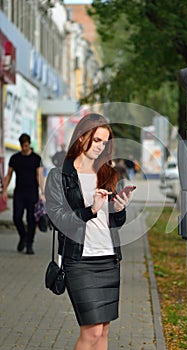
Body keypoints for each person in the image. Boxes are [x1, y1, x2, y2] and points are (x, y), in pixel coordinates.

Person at [45, 113, 131, 350]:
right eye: (96, 140)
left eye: (104, 142)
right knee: (91, 332)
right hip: (80, 261)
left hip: (109, 259)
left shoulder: (107, 174)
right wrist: (90, 209)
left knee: (103, 331)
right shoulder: (59, 176)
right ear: (82, 138)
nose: (100, 147)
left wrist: (118, 209)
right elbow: (57, 220)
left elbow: (114, 222)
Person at [2, 133, 44, 254]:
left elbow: (39, 176)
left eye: (26, 145)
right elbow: (9, 175)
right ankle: (23, 236)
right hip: (19, 193)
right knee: (16, 217)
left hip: (32, 193)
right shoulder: (15, 158)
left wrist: (43, 192)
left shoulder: (36, 158)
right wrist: (4, 190)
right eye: (22, 146)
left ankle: (29, 244)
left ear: (29, 144)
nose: (24, 148)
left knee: (31, 220)